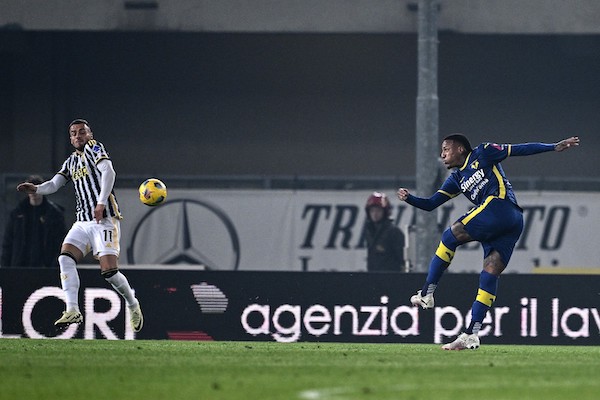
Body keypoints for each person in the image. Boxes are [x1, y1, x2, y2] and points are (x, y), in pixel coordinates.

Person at [397, 134, 580, 350]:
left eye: (446, 149)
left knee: (450, 235)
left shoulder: (483, 152)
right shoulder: (456, 179)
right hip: (510, 225)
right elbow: (430, 204)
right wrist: (410, 198)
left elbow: (518, 148)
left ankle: (427, 293)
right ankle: (471, 333)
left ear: (460, 149)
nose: (442, 154)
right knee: (489, 273)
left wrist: (552, 146)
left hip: (500, 207)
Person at [16, 119, 143, 332]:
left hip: (104, 220)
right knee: (65, 258)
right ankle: (73, 309)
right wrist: (36, 189)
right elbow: (54, 184)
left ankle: (132, 303)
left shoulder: (95, 148)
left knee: (110, 272)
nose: (77, 136)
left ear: (90, 134)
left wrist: (101, 202)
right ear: (70, 138)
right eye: (73, 133)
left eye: (82, 132)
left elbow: (109, 172)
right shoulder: (71, 161)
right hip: (83, 222)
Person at [2, 175, 67, 268]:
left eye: (36, 188)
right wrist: (6, 268)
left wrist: (54, 266)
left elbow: (61, 241)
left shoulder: (54, 214)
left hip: (45, 267)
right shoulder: (17, 213)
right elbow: (8, 241)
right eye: (30, 189)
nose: (33, 192)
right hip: (19, 267)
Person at [364, 192, 406, 272]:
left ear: (385, 212)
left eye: (378, 210)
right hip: (373, 279)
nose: (375, 214)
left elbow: (402, 260)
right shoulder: (369, 232)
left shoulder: (394, 232)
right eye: (372, 211)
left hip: (390, 280)